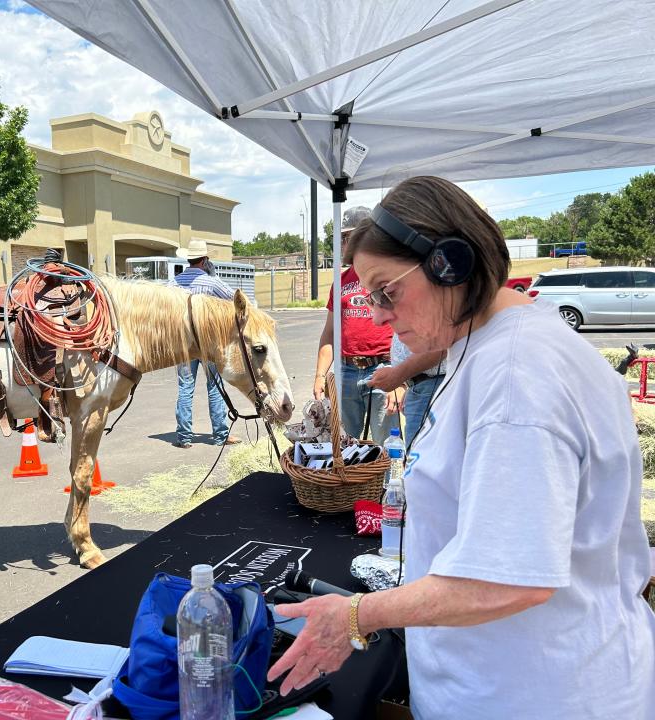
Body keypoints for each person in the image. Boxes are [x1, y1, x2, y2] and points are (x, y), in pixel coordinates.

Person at [270, 176, 654, 718]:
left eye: (386, 290)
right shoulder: (500, 338)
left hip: (535, 695)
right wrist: (404, 365)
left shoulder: (517, 377)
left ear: (451, 264)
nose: (377, 314)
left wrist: (355, 615)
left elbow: (503, 580)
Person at [169, 238, 240, 449]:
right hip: (208, 342)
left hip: (183, 342)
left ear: (189, 259)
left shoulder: (174, 283)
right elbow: (233, 298)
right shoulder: (211, 281)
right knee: (215, 387)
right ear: (205, 260)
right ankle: (220, 435)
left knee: (185, 387)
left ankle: (184, 437)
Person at [312, 266, 395, 445]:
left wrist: (400, 379)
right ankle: (349, 474)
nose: (348, 241)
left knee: (386, 443)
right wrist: (320, 375)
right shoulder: (340, 282)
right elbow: (330, 333)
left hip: (382, 366)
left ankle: (385, 474)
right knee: (344, 442)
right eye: (345, 238)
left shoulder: (387, 275)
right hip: (346, 370)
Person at [368, 334, 445, 448]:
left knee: (421, 457)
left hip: (432, 385)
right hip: (422, 384)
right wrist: (409, 383)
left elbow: (441, 345)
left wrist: (397, 376)